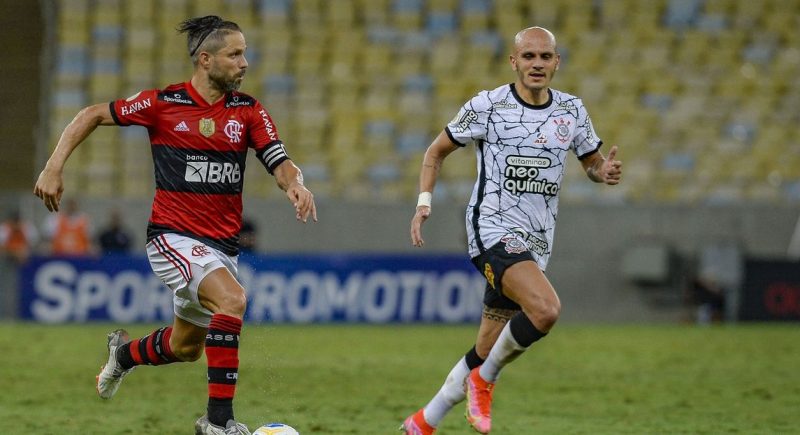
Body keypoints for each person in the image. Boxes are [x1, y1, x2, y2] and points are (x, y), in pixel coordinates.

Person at [34, 15, 317, 435]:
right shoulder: (162, 104)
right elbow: (91, 114)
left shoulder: (248, 111)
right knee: (233, 301)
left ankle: (123, 356)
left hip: (221, 246)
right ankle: (219, 423)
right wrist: (53, 167)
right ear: (205, 59)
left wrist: (296, 183)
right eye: (235, 54)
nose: (245, 63)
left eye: (245, 53)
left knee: (186, 347)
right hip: (172, 237)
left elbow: (278, 159)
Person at [402, 27, 622, 434]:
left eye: (545, 57)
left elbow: (591, 163)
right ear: (514, 61)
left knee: (486, 346)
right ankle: (484, 383)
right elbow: (435, 152)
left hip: (538, 241)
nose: (536, 64)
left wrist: (601, 172)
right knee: (545, 309)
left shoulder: (571, 111)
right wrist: (423, 204)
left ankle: (422, 423)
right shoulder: (488, 105)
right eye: (529, 57)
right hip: (491, 229)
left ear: (557, 62)